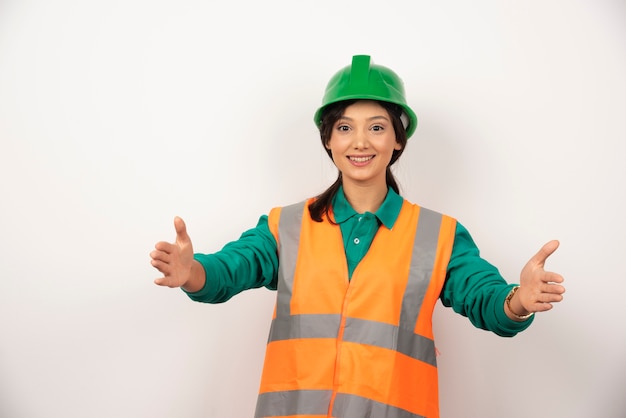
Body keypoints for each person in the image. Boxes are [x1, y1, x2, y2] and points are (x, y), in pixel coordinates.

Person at [149, 55, 566, 418]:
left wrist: (518, 302)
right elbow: (230, 269)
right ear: (328, 140)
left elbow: (485, 299)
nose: (360, 142)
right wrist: (193, 272)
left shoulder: (439, 235)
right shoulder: (286, 225)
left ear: (398, 139)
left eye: (377, 127)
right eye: (345, 128)